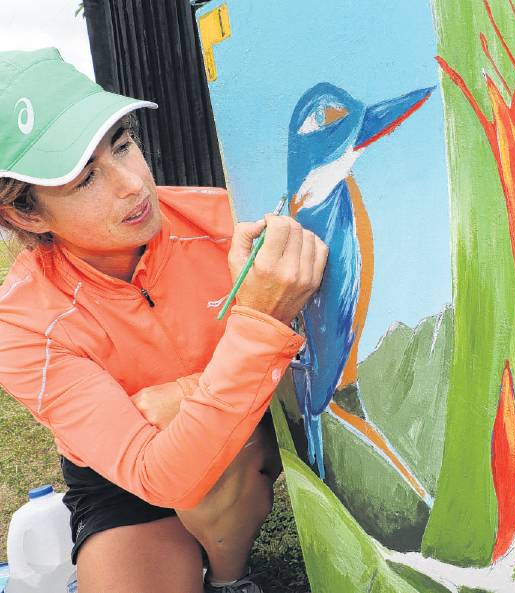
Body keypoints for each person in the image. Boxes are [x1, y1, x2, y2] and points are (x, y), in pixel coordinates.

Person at [0, 48, 327, 593]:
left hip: (239, 441)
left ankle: (229, 577)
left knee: (213, 454)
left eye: (124, 145)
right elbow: (158, 474)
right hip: (125, 474)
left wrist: (184, 392)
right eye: (85, 180)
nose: (132, 184)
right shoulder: (20, 325)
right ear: (26, 214)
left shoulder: (228, 219)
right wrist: (257, 322)